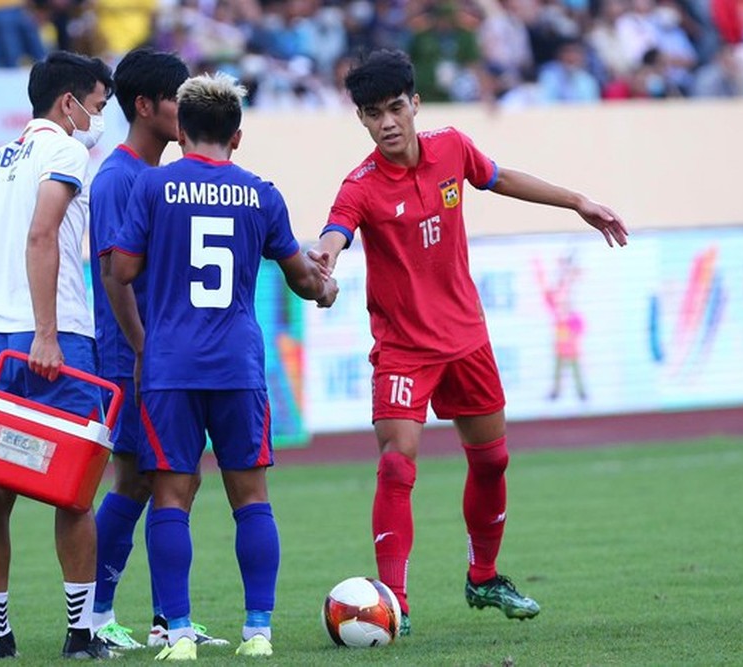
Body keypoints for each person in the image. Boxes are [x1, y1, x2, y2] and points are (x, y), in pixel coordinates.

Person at [311, 49, 628, 637]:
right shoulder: (359, 186)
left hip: (466, 340)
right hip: (404, 347)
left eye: (395, 108)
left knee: (492, 460)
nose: (386, 122)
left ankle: (483, 577)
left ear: (415, 105)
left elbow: (500, 177)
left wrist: (578, 200)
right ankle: (393, 603)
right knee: (397, 464)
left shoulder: (452, 147)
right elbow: (335, 234)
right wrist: (323, 262)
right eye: (373, 113)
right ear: (360, 119)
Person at [110, 72, 337, 661]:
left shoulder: (154, 188)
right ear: (237, 138)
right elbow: (302, 277)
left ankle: (179, 633)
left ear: (181, 130)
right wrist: (325, 289)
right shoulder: (262, 194)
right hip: (237, 365)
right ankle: (258, 632)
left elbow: (123, 270)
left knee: (170, 498)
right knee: (252, 498)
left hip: (170, 367)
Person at [0, 51, 115, 660]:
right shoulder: (66, 152)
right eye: (98, 104)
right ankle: (80, 633)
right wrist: (44, 331)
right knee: (75, 488)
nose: (98, 118)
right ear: (70, 103)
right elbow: (42, 233)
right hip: (54, 339)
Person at [87, 46, 229, 652]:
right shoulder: (121, 177)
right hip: (134, 355)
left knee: (165, 481)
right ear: (145, 106)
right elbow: (113, 276)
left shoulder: (160, 177)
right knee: (140, 482)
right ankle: (98, 615)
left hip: (160, 354)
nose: (186, 108)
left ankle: (160, 617)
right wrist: (145, 349)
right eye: (178, 97)